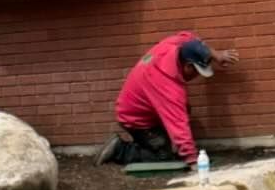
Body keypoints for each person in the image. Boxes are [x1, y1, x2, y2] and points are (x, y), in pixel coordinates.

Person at [99, 31, 238, 168]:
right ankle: (119, 149)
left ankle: (151, 143)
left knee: (182, 111)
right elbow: (178, 122)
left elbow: (190, 37)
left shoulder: (174, 45)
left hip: (142, 106)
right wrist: (192, 160)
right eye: (197, 71)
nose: (197, 76)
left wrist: (216, 55)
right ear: (188, 66)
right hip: (136, 120)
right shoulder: (167, 86)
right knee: (164, 157)